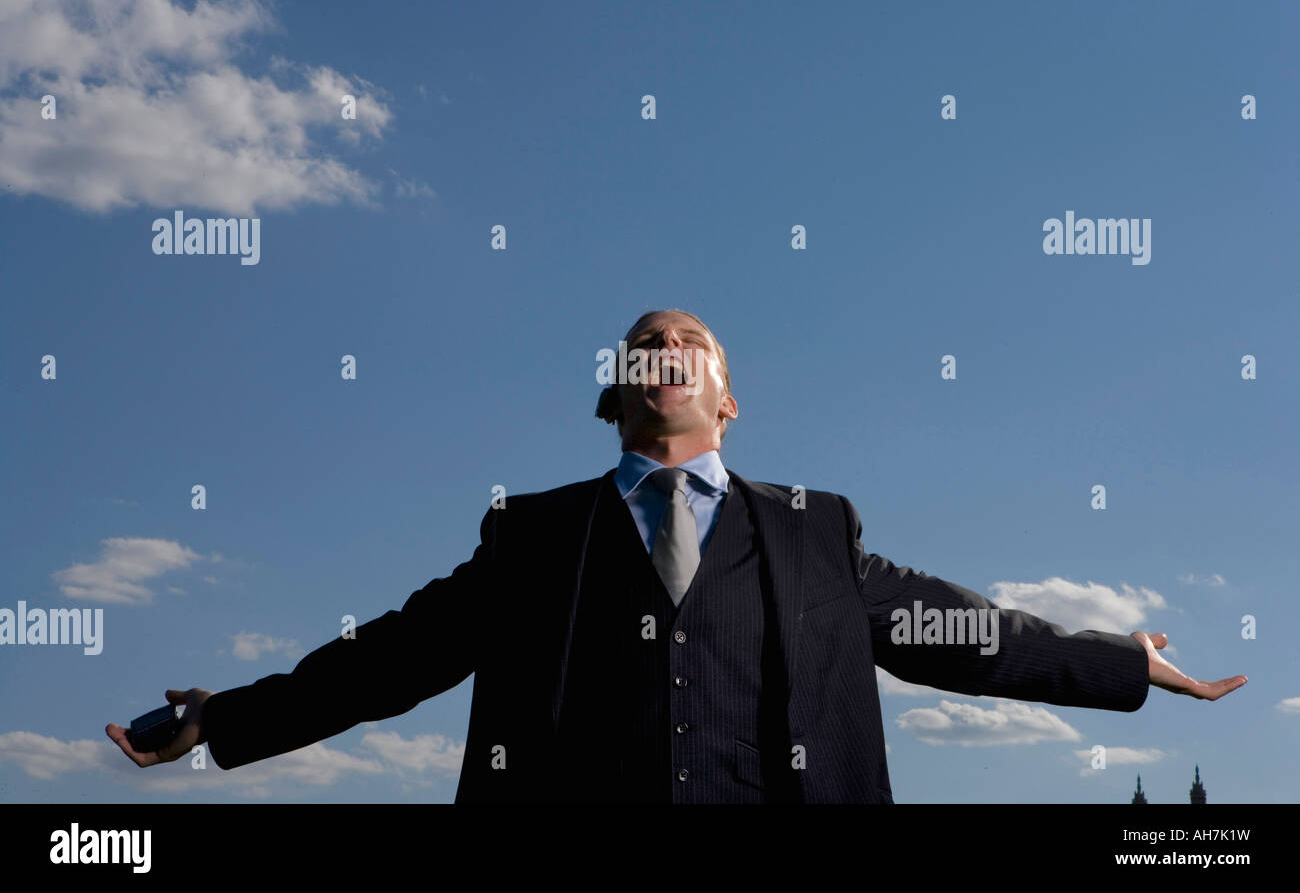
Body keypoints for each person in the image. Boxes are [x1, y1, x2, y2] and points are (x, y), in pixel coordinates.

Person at [106, 309, 1247, 802]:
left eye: (689, 342)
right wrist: (229, 716)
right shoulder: (531, 534)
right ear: (615, 395)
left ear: (728, 399)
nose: (665, 348)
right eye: (644, 343)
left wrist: (1116, 661)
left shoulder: (814, 525)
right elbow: (391, 657)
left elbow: (958, 629)